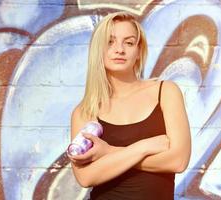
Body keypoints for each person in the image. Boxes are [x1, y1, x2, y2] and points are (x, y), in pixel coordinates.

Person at [68, 11, 191, 200]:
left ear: (139, 51)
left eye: (129, 42)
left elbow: (178, 161)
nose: (119, 49)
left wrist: (109, 152)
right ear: (98, 49)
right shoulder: (86, 111)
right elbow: (86, 177)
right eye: (110, 42)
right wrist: (143, 147)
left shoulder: (166, 92)